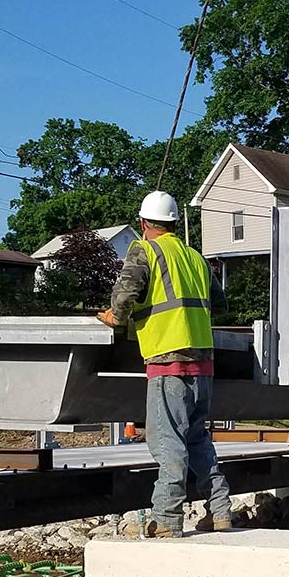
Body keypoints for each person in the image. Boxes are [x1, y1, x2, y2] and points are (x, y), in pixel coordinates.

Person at [98, 190, 232, 538]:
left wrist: (116, 317)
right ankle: (219, 511)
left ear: (143, 223)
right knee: (197, 438)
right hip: (203, 362)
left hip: (166, 359)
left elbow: (125, 295)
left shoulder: (145, 250)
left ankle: (167, 517)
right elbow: (219, 302)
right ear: (173, 222)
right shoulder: (195, 257)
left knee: (167, 440)